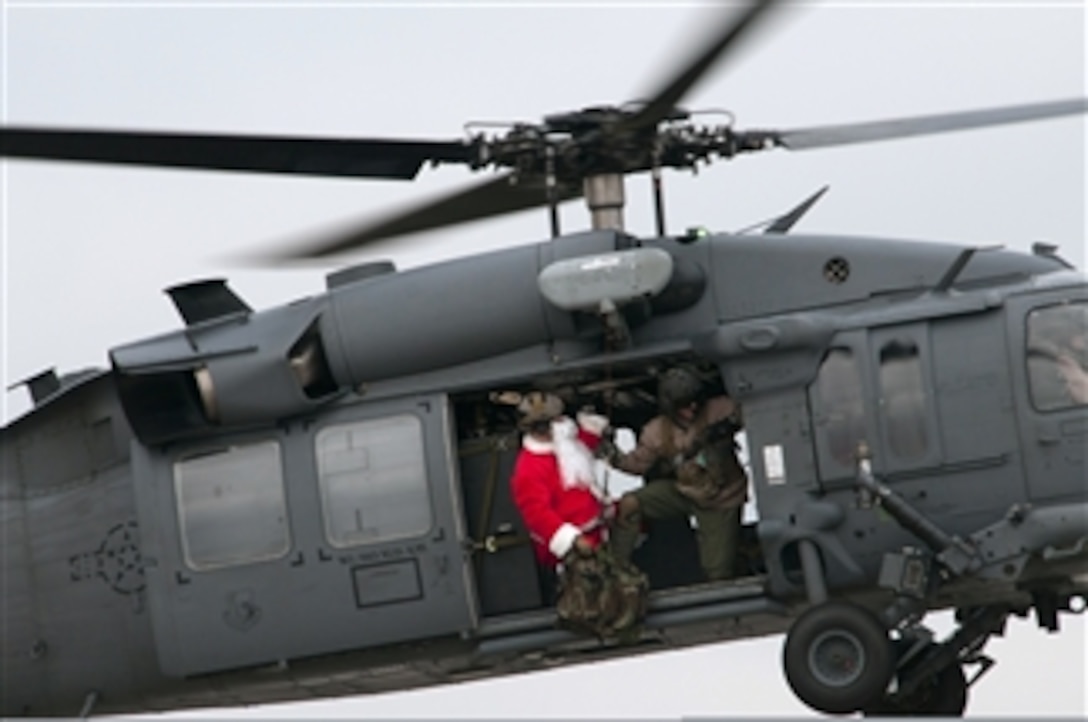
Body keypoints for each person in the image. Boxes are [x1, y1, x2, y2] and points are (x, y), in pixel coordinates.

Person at [605, 367, 747, 583]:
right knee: (630, 504)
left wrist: (728, 426)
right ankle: (616, 571)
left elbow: (751, 410)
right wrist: (609, 452)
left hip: (722, 498)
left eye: (694, 401)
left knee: (717, 571)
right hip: (683, 492)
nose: (692, 408)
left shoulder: (720, 409)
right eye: (684, 405)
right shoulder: (657, 432)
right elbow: (636, 464)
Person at [508, 391, 610, 600]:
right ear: (546, 427)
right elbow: (537, 515)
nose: (565, 421)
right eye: (559, 418)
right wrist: (573, 540)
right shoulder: (528, 469)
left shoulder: (565, 443)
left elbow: (583, 445)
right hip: (573, 549)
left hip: (597, 530)